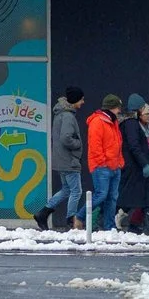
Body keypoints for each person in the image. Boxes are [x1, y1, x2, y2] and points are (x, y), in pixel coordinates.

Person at [41, 86, 87, 229]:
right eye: (81, 99)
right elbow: (66, 138)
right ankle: (71, 219)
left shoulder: (61, 114)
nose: (83, 102)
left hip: (62, 159)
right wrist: (78, 144)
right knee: (76, 191)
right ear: (75, 100)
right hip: (69, 160)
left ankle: (44, 212)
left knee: (67, 190)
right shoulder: (68, 116)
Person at [86, 93, 126, 231]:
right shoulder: (98, 121)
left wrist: (119, 162)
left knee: (112, 198)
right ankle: (80, 216)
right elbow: (95, 145)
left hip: (114, 166)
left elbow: (118, 144)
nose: (119, 111)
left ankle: (109, 226)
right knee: (101, 195)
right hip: (103, 166)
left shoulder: (112, 122)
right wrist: (102, 162)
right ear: (111, 108)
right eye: (117, 108)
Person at [120, 95, 149, 230]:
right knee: (129, 196)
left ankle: (145, 222)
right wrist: (144, 163)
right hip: (134, 165)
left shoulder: (131, 123)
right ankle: (137, 222)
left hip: (136, 164)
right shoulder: (131, 124)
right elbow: (134, 145)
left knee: (143, 195)